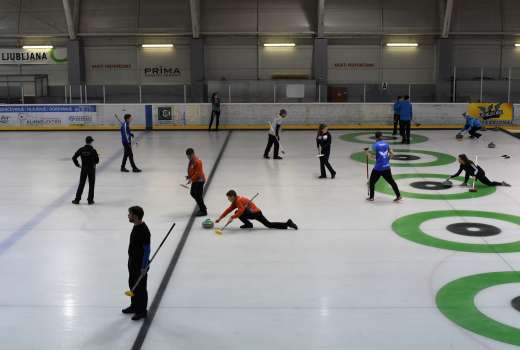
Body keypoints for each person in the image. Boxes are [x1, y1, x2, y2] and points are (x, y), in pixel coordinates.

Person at [215, 190, 298, 230]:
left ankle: (288, 223)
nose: (228, 199)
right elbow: (228, 210)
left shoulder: (238, 200)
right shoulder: (235, 201)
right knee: (269, 224)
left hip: (255, 213)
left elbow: (240, 211)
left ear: (233, 196)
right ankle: (287, 224)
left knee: (238, 212)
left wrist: (232, 217)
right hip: (253, 213)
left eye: (228, 197)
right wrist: (220, 218)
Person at [122, 206, 151, 321]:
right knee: (132, 285)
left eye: (130, 214)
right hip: (133, 263)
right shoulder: (136, 226)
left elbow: (147, 249)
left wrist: (144, 266)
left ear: (135, 216)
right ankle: (134, 306)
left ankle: (141, 311)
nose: (128, 216)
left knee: (141, 289)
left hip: (140, 266)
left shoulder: (144, 231)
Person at [366, 131, 402, 202]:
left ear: (375, 137)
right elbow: (392, 153)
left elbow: (372, 157)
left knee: (372, 182)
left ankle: (371, 197)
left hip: (378, 168)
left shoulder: (375, 145)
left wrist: (367, 153)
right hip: (386, 167)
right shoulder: (386, 144)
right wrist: (387, 160)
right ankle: (398, 195)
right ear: (382, 136)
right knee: (392, 182)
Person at [72, 136, 99, 205]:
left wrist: (78, 165)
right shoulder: (93, 150)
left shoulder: (81, 149)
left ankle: (77, 200)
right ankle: (90, 200)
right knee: (91, 185)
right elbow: (97, 161)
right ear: (91, 142)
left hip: (83, 169)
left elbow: (74, 157)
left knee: (81, 184)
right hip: (91, 170)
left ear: (86, 141)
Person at [185, 148, 208, 216]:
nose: (188, 157)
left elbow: (198, 173)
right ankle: (202, 207)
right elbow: (192, 170)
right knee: (195, 194)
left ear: (192, 154)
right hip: (195, 180)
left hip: (200, 181)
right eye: (187, 156)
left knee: (197, 195)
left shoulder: (198, 161)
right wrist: (189, 177)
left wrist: (191, 179)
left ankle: (203, 210)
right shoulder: (191, 161)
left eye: (189, 156)